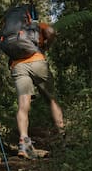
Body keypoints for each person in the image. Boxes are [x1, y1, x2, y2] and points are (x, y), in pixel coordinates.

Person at [8, 14, 65, 159]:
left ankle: (23, 142)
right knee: (51, 100)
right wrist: (46, 45)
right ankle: (63, 137)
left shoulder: (13, 29)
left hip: (18, 65)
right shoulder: (38, 25)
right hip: (38, 62)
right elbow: (51, 32)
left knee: (23, 105)